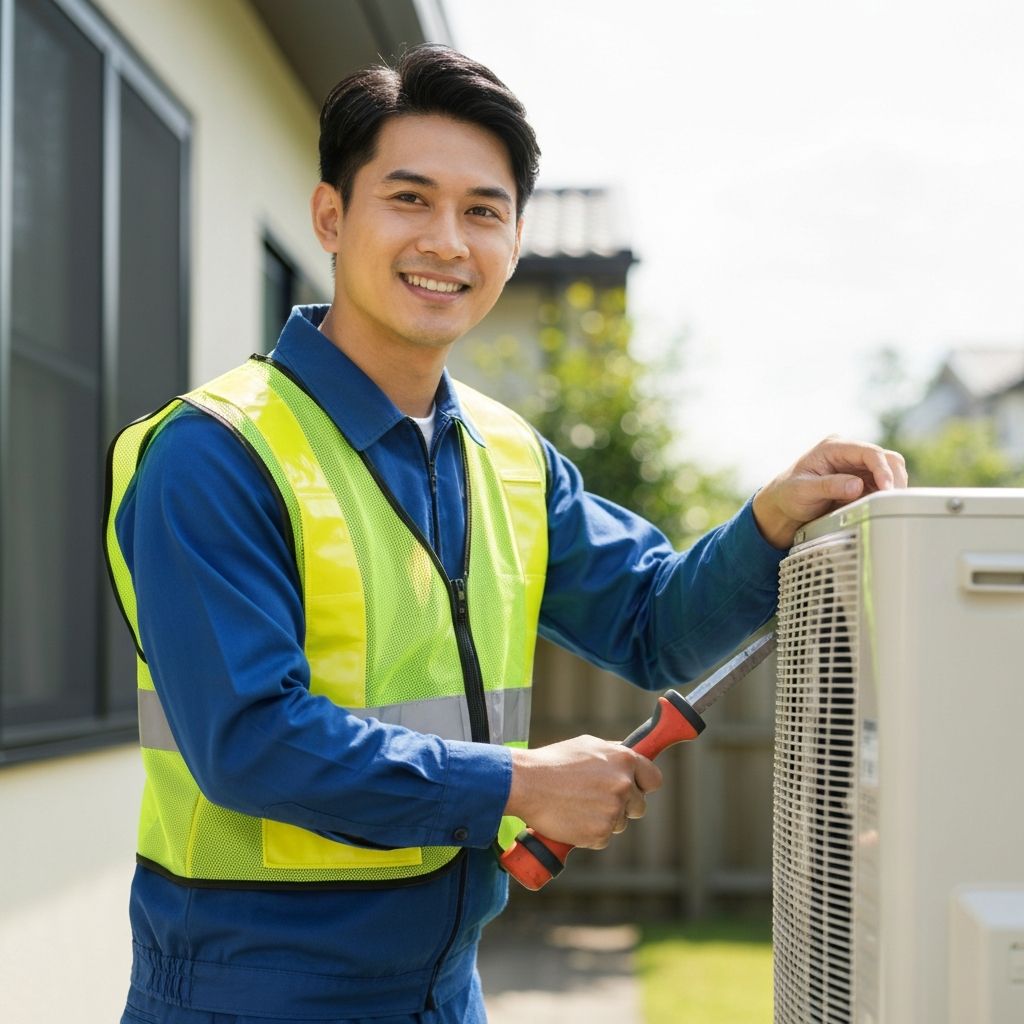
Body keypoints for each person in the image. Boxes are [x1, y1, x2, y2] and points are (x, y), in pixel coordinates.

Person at [104, 44, 907, 1024]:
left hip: (445, 989)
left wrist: (766, 521)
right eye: (409, 198)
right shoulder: (215, 452)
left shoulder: (507, 457)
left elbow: (658, 623)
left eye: (482, 210)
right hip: (250, 994)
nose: (448, 241)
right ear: (330, 216)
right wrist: (519, 783)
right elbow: (249, 742)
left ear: (516, 239)